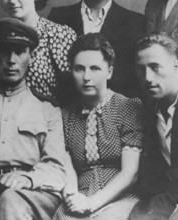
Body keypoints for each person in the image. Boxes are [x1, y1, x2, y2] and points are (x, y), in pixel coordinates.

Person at [0, 18, 66, 220]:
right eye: (5, 51)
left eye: (19, 51)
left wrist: (27, 179)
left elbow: (56, 168)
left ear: (32, 56)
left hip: (36, 194)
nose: (11, 60)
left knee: (10, 201)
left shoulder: (47, 109)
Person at [53, 33, 143, 220]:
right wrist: (72, 197)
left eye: (94, 68)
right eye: (79, 69)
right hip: (80, 195)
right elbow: (66, 166)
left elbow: (130, 173)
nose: (86, 77)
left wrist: (92, 203)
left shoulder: (127, 107)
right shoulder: (65, 114)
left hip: (120, 197)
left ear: (109, 71)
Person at [48, 0, 145, 98]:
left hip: (117, 117)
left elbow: (136, 85)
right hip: (68, 114)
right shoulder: (58, 18)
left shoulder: (136, 23)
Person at [129, 33, 178, 220]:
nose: (147, 78)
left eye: (155, 67)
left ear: (176, 66)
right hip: (168, 197)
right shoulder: (149, 111)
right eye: (140, 69)